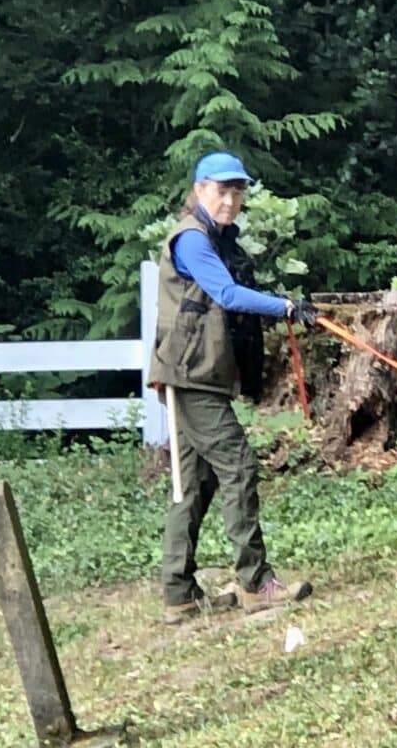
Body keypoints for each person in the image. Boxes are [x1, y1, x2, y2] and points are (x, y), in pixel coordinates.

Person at [148, 150, 319, 625]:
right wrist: (286, 306)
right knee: (239, 465)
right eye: (222, 190)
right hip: (191, 377)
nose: (230, 199)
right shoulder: (192, 240)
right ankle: (255, 583)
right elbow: (224, 294)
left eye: (237, 190)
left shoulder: (217, 238)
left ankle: (178, 595)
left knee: (194, 484)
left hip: (196, 374)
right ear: (200, 190)